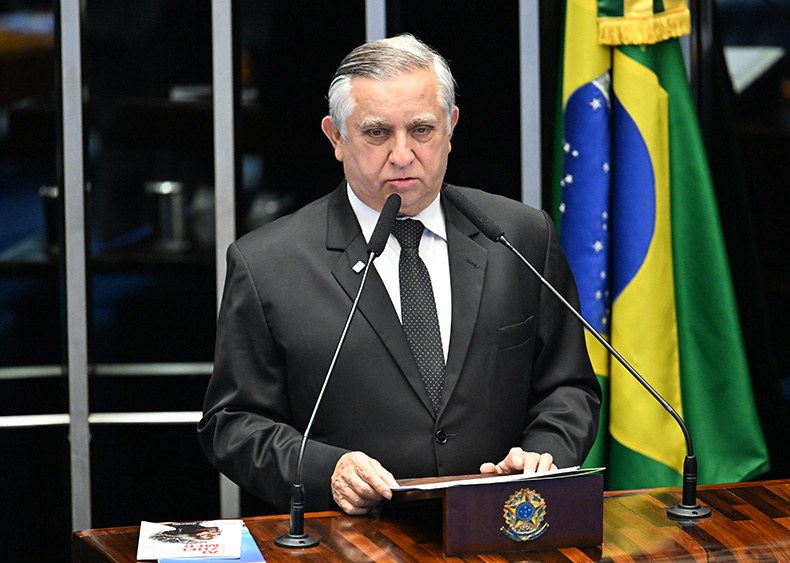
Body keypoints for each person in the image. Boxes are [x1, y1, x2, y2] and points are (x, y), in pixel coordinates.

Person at [198, 33, 601, 515]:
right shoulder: (267, 262)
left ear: (451, 128)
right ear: (335, 137)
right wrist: (329, 471)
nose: (403, 154)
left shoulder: (518, 235)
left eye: (422, 130)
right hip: (350, 545)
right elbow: (234, 423)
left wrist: (545, 453)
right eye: (376, 133)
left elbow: (568, 386)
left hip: (499, 531)